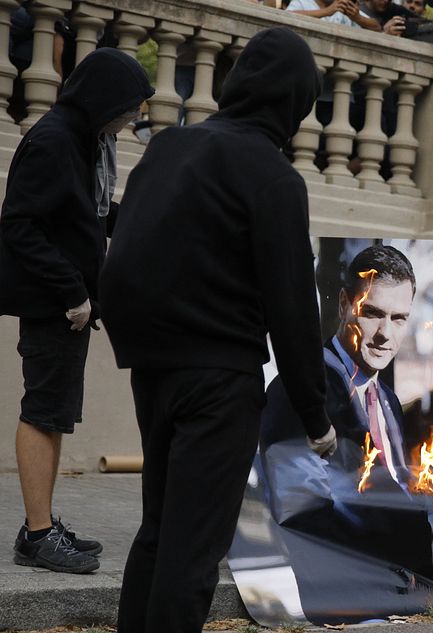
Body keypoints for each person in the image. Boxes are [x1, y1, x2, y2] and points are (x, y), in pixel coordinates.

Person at [99, 28, 337, 633]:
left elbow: (125, 245)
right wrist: (316, 416)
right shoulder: (276, 178)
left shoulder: (170, 146)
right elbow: (292, 306)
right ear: (295, 103)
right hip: (221, 378)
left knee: (158, 530)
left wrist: (137, 344)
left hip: (152, 368)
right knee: (194, 547)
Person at [0, 49, 153, 575]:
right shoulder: (54, 140)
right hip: (53, 303)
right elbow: (18, 224)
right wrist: (72, 292)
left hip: (69, 302)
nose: (135, 116)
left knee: (56, 410)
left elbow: (87, 215)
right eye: (130, 105)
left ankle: (39, 528)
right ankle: (38, 537)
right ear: (103, 97)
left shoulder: (85, 138)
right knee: (44, 409)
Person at [257, 244, 433, 620]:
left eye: (398, 318)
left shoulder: (387, 400)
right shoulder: (300, 392)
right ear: (344, 304)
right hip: (342, 598)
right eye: (372, 313)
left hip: (396, 596)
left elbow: (399, 497)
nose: (384, 334)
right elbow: (301, 513)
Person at [287, 0, 382, 30]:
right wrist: (327, 11)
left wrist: (358, 18)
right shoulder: (302, 2)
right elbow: (287, 16)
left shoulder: (341, 6)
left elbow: (376, 27)